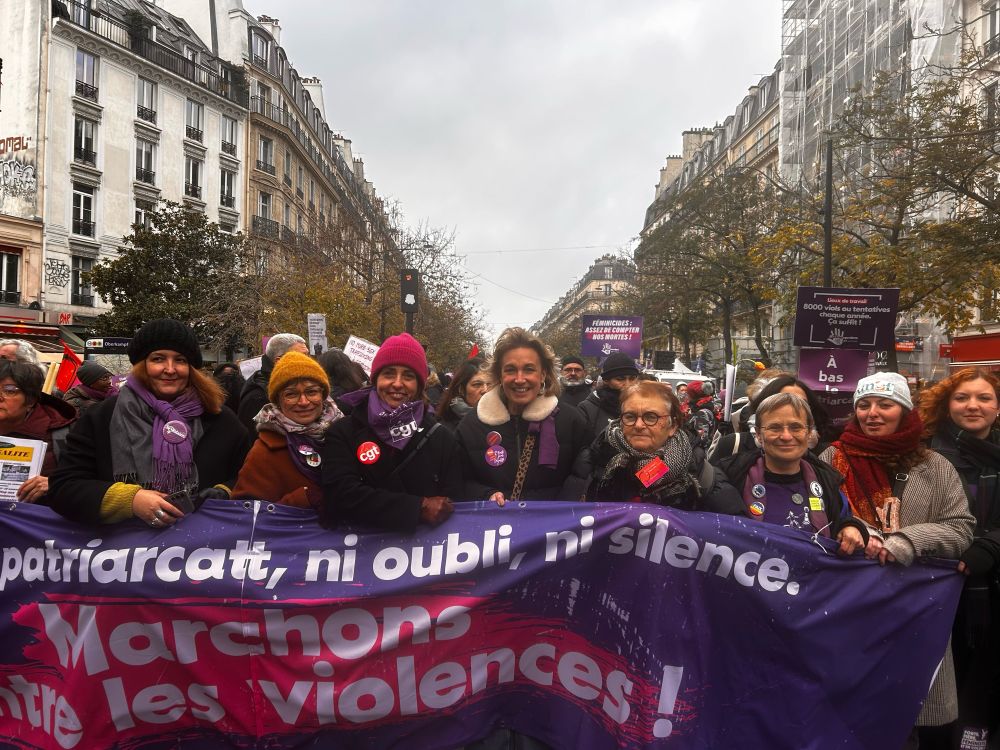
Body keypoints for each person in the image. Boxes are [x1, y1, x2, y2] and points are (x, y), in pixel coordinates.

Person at [820, 372, 975, 740]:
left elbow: (960, 528)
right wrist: (856, 531)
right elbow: (815, 517)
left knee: (904, 716)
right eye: (864, 405)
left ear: (904, 410)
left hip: (911, 610)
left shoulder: (935, 466)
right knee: (844, 715)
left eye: (885, 404)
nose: (872, 413)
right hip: (847, 608)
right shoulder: (830, 458)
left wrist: (906, 541)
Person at [47, 319, 251, 526]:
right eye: (158, 359)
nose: (170, 369)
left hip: (202, 542)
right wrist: (131, 500)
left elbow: (248, 477)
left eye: (180, 360)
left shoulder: (220, 419)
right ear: (142, 365)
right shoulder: (101, 417)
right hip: (122, 543)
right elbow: (64, 487)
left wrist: (225, 491)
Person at [917, 368, 1000, 747]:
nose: (973, 405)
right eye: (962, 397)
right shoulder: (926, 455)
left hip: (992, 586)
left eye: (984, 398)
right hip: (940, 587)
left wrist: (989, 547)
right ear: (947, 405)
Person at [320, 332, 459, 531]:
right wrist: (417, 508)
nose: (397, 383)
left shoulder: (441, 437)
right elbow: (340, 495)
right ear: (376, 379)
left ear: (420, 385)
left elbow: (453, 501)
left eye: (408, 376)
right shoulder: (343, 432)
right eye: (389, 374)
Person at [717, 392, 868, 552]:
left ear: (809, 433)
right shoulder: (732, 476)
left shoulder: (827, 481)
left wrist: (852, 527)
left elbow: (843, 519)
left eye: (796, 427)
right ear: (759, 434)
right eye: (774, 428)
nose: (786, 436)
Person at [456, 327, 589, 505]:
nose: (519, 379)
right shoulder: (471, 426)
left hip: (558, 522)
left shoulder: (571, 421)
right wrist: (486, 495)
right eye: (510, 370)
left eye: (529, 369)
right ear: (499, 375)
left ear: (543, 374)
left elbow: (584, 475)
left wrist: (563, 506)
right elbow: (459, 481)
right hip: (496, 521)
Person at [587, 380, 741, 511]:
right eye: (630, 416)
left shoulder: (703, 477)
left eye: (651, 417)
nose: (638, 425)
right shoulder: (600, 461)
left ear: (672, 426)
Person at [233, 351, 343, 508]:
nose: (304, 402)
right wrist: (303, 499)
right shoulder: (263, 453)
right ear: (278, 400)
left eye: (311, 392)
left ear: (323, 395)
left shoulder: (346, 434)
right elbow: (245, 513)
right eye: (291, 394)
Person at [0, 358, 76, 502]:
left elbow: (89, 484)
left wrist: (54, 484)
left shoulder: (65, 434)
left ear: (30, 401)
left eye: (9, 391)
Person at [709, 375, 831, 462]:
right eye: (782, 401)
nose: (786, 437)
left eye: (801, 403)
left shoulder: (826, 456)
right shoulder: (733, 445)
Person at [237, 333, 309, 436]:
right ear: (279, 361)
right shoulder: (258, 396)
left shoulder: (296, 385)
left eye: (308, 355)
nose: (309, 361)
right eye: (302, 357)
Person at [578, 352, 640, 445]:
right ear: (606, 380)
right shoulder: (587, 408)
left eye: (632, 378)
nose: (628, 384)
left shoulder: (645, 405)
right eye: (620, 379)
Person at [436, 358, 493, 430]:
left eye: (489, 384)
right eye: (477, 384)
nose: (485, 390)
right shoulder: (446, 430)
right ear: (461, 390)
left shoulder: (502, 421)